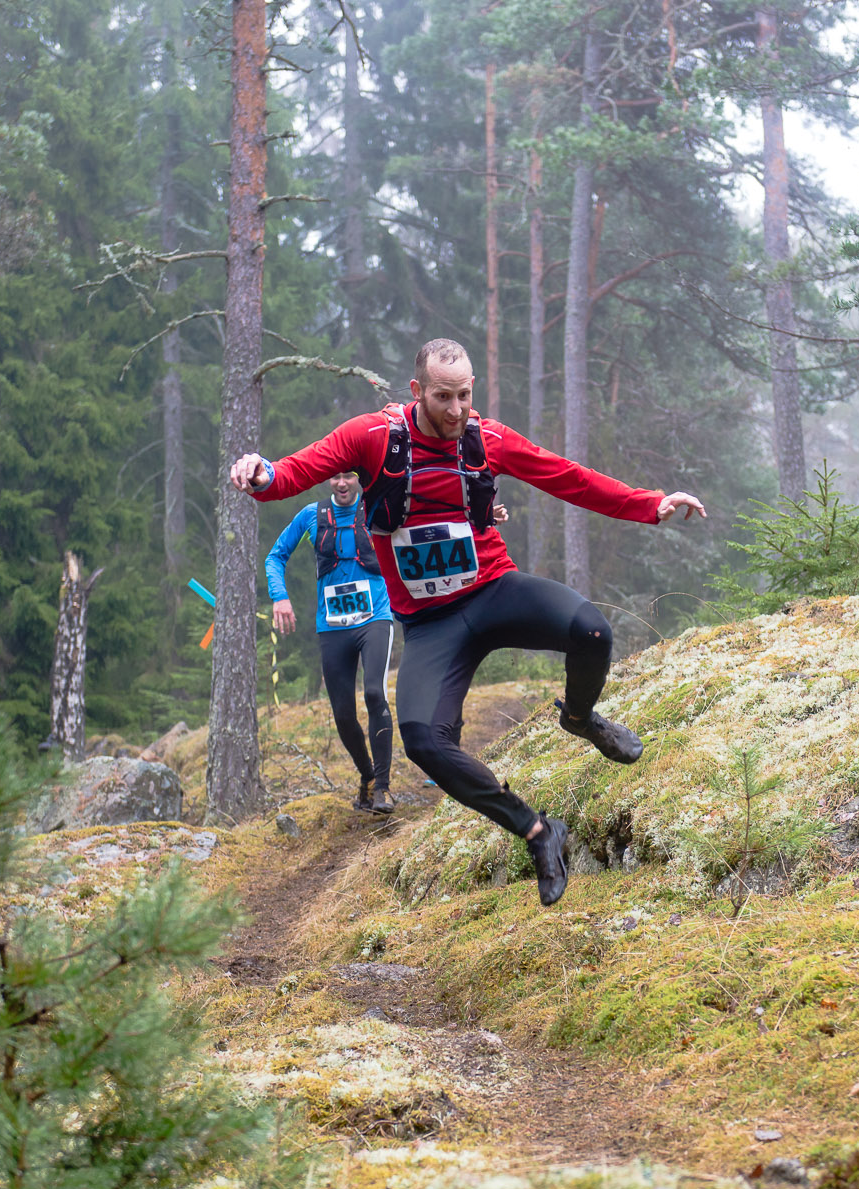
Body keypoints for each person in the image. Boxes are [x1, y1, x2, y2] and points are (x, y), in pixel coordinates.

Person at [230, 337, 705, 907]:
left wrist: (649, 504)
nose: (456, 410)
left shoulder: (486, 438)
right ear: (417, 391)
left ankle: (579, 718)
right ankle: (538, 832)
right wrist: (260, 474)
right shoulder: (372, 437)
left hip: (493, 591)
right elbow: (293, 472)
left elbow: (567, 477)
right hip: (432, 624)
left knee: (593, 631)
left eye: (464, 395)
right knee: (423, 742)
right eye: (442, 397)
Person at [265, 470, 398, 813]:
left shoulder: (377, 508)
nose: (342, 484)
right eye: (336, 477)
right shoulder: (312, 515)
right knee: (343, 714)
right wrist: (280, 596)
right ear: (328, 480)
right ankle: (367, 776)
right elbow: (275, 556)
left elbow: (424, 522)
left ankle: (383, 789)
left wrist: (485, 517)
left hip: (375, 616)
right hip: (333, 625)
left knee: (374, 693)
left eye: (349, 476)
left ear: (359, 478)